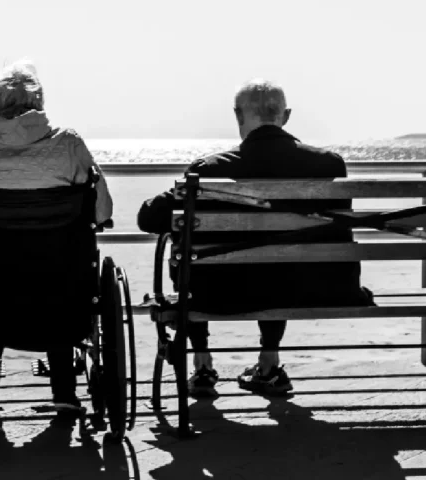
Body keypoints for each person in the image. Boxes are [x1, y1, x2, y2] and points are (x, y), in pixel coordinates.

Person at [137, 79, 373, 397]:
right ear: (285, 116)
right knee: (280, 262)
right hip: (314, 289)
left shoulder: (209, 170)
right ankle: (269, 363)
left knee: (187, 251)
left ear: (238, 116)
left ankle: (203, 364)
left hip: (220, 294)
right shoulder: (329, 165)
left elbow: (148, 218)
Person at [0, 59, 113, 413]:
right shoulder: (69, 145)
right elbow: (101, 211)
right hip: (63, 284)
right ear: (39, 103)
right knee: (52, 267)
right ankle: (64, 393)